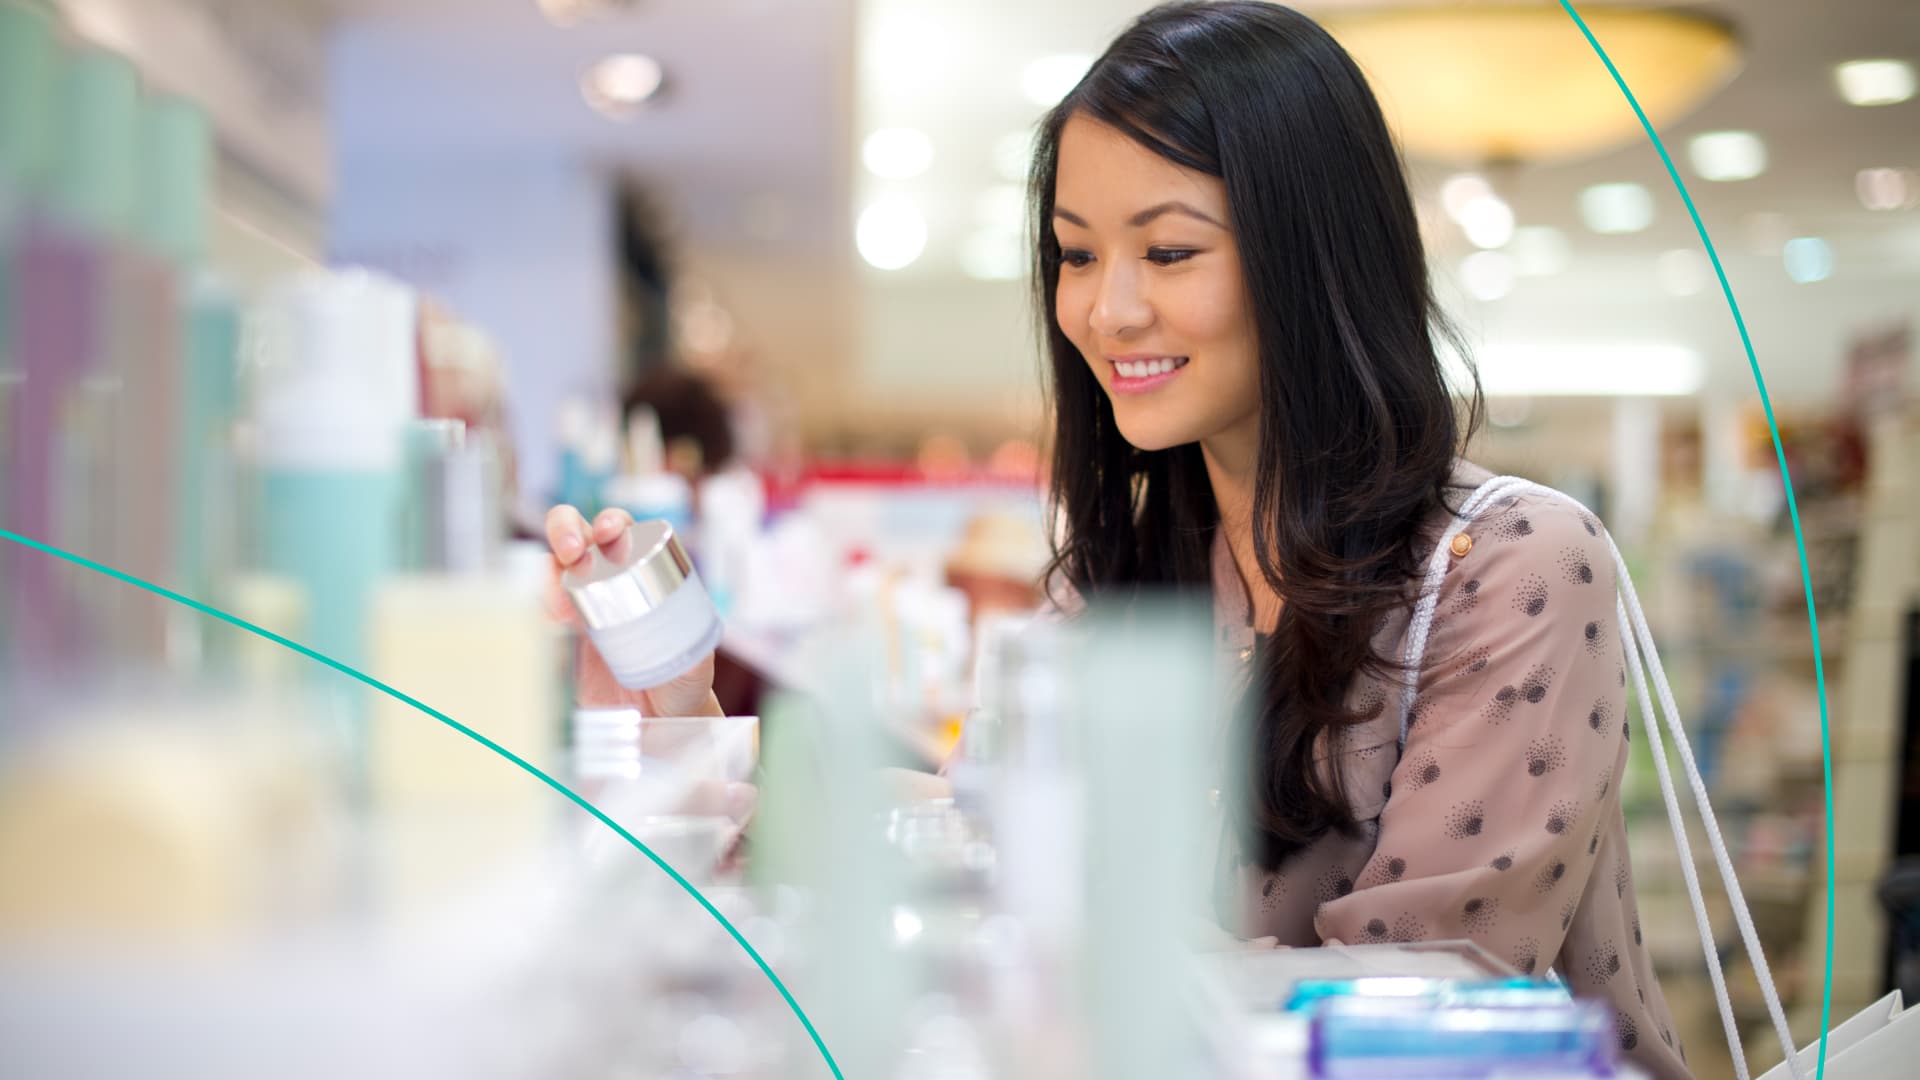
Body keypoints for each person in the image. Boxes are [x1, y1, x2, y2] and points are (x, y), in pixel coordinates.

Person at [547, 4, 1690, 1076]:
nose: (1108, 309)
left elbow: (1430, 1005)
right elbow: (969, 836)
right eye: (1078, 254)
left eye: (1171, 250)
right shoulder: (1129, 578)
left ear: (1312, 258)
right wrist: (681, 714)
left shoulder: (1512, 566)